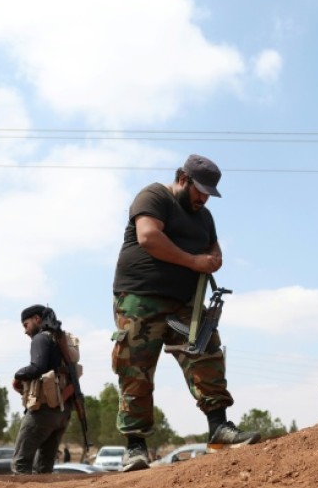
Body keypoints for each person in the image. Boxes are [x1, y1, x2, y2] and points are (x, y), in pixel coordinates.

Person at [111, 154, 260, 472]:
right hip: (141, 297)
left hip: (185, 303)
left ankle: (219, 429)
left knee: (207, 355)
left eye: (209, 194)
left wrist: (214, 258)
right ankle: (135, 447)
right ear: (182, 179)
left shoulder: (204, 217)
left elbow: (214, 247)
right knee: (136, 370)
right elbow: (148, 236)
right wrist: (193, 262)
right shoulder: (154, 196)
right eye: (200, 191)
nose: (203, 199)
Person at [11, 305, 73, 474]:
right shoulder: (59, 339)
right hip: (63, 412)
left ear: (37, 319)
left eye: (26, 325)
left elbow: (37, 368)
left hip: (43, 411)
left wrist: (17, 375)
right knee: (44, 468)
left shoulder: (41, 338)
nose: (25, 331)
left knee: (20, 464)